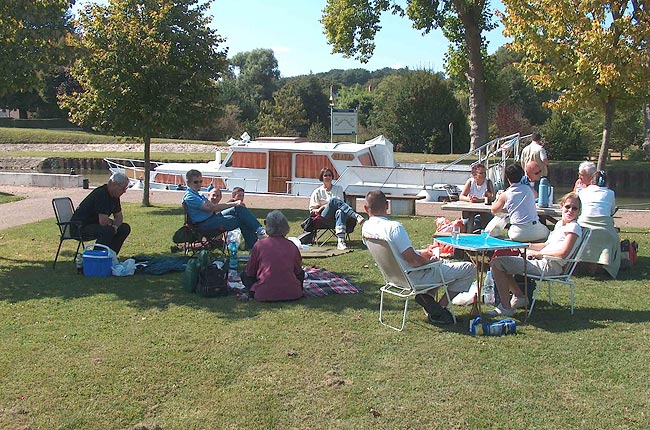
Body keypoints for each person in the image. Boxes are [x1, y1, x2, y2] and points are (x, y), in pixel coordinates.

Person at [362, 190, 475, 324]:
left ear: (365, 208)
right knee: (469, 269)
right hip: (413, 277)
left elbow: (399, 254)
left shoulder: (366, 228)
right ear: (387, 205)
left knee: (433, 262)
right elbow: (413, 260)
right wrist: (428, 259)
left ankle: (429, 301)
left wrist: (425, 252)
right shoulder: (394, 227)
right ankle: (439, 308)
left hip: (393, 276)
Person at [487, 192, 583, 316]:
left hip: (549, 266)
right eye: (567, 207)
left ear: (579, 211)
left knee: (497, 263)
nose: (570, 210)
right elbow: (547, 244)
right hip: (542, 261)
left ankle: (506, 308)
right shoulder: (560, 225)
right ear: (561, 206)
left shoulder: (573, 228)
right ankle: (519, 296)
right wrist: (524, 246)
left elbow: (563, 254)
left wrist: (539, 254)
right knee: (501, 261)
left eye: (574, 208)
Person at [182, 169, 265, 250]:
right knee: (241, 219)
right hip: (203, 226)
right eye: (196, 182)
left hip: (211, 219)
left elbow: (212, 206)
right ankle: (255, 248)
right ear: (188, 183)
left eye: (201, 181)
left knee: (238, 208)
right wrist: (234, 203)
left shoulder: (199, 195)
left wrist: (234, 204)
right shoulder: (190, 197)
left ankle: (259, 231)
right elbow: (213, 208)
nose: (199, 184)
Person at [242, 210, 304, 302]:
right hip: (293, 293)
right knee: (301, 273)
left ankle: (252, 291)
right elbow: (298, 270)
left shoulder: (260, 245)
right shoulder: (292, 245)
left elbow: (250, 271)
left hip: (263, 293)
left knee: (244, 274)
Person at [70, 172, 131, 255]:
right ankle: (97, 256)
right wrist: (113, 225)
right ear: (114, 184)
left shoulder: (114, 196)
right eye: (123, 188)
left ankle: (111, 255)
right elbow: (103, 222)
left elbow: (119, 217)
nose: (124, 191)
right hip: (80, 227)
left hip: (94, 225)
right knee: (107, 231)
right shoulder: (101, 194)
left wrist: (115, 226)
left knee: (124, 228)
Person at [308, 167, 366, 250]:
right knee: (333, 200)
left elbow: (340, 204)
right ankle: (356, 216)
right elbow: (312, 210)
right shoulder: (317, 192)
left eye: (329, 175)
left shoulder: (338, 188)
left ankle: (341, 241)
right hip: (324, 216)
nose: (328, 177)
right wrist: (322, 207)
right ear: (322, 177)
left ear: (332, 177)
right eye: (325, 175)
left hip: (337, 214)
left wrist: (327, 204)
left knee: (340, 211)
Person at [577, 170, 620, 278]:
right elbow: (611, 211)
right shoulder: (610, 193)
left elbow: (579, 209)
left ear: (592, 181)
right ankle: (604, 265)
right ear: (607, 183)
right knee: (614, 237)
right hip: (604, 227)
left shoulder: (582, 191)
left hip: (585, 225)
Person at [491, 164, 549, 242]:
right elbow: (536, 196)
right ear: (522, 175)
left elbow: (494, 210)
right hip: (535, 230)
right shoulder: (529, 189)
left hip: (517, 233)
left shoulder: (505, 194)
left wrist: (497, 199)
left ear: (507, 178)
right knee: (548, 232)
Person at [459, 163, 495, 230]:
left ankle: (484, 233)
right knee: (468, 216)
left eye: (485, 173)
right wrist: (469, 199)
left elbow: (492, 197)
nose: (484, 175)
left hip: (484, 210)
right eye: (481, 173)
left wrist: (480, 200)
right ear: (474, 175)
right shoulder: (470, 182)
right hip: (471, 208)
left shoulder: (488, 182)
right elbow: (461, 196)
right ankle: (469, 232)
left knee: (484, 216)